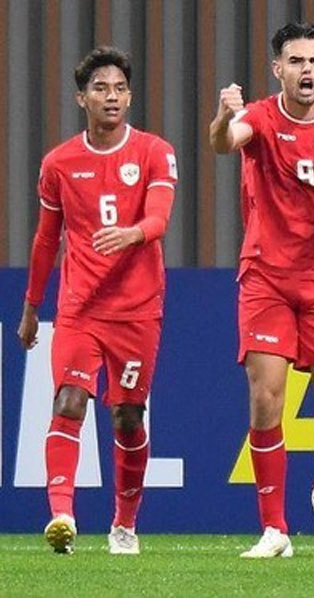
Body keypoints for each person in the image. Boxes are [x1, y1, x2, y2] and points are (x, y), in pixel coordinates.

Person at [209, 23, 314, 559]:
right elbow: (223, 143)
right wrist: (223, 115)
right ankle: (274, 528)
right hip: (267, 276)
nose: (306, 70)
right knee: (265, 400)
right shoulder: (259, 115)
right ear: (278, 69)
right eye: (295, 61)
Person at [17, 46, 179, 555]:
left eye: (120, 89)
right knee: (68, 401)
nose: (112, 97)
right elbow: (46, 240)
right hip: (80, 308)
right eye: (101, 89)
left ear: (129, 97)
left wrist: (133, 234)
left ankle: (124, 524)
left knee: (128, 417)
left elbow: (160, 217)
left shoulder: (154, 151)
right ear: (81, 98)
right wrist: (31, 308)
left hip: (137, 308)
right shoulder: (59, 163)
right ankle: (62, 515)